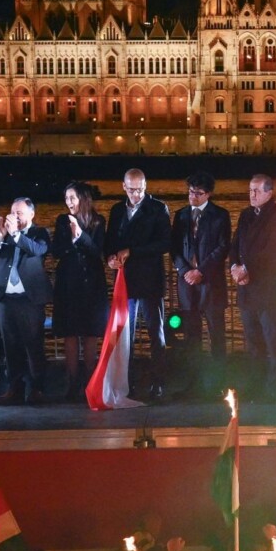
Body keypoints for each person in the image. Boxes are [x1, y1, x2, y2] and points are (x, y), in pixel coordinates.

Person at [104, 168, 173, 397]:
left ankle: (158, 382)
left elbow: (164, 243)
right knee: (125, 335)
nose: (136, 194)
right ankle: (126, 381)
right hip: (125, 281)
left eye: (140, 189)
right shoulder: (116, 210)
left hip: (151, 280)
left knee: (156, 332)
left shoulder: (158, 208)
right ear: (124, 186)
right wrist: (111, 258)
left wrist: (132, 251)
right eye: (132, 189)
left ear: (146, 186)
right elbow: (110, 241)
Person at [230, 172, 276, 397]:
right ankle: (256, 384)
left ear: (269, 192)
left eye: (257, 191)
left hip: (269, 287)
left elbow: (272, 251)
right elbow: (235, 244)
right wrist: (234, 267)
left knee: (272, 337)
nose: (252, 195)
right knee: (252, 339)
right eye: (250, 190)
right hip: (246, 287)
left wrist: (247, 269)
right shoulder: (246, 215)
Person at [169, 172, 231, 397]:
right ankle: (193, 384)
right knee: (191, 337)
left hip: (211, 284)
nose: (192, 196)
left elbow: (223, 248)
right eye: (190, 191)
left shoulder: (220, 215)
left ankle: (219, 384)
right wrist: (186, 271)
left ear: (209, 194)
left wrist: (201, 271)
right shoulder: (181, 216)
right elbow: (174, 248)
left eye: (198, 192)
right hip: (187, 285)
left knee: (217, 336)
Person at [51, 184, 109, 402]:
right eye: (66, 198)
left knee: (91, 333)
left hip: (91, 284)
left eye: (72, 198)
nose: (68, 202)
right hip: (68, 283)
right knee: (70, 332)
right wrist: (72, 241)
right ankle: (72, 381)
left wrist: (79, 236)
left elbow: (96, 251)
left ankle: (91, 380)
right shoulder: (61, 221)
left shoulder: (98, 221)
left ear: (83, 199)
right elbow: (56, 250)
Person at [0, 196, 52, 404]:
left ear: (31, 214)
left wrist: (16, 235)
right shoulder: (5, 235)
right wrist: (0, 238)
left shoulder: (39, 233)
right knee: (10, 346)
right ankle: (14, 388)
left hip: (30, 299)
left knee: (33, 344)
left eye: (20, 213)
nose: (14, 216)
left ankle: (37, 388)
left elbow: (38, 250)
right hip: (5, 298)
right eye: (12, 212)